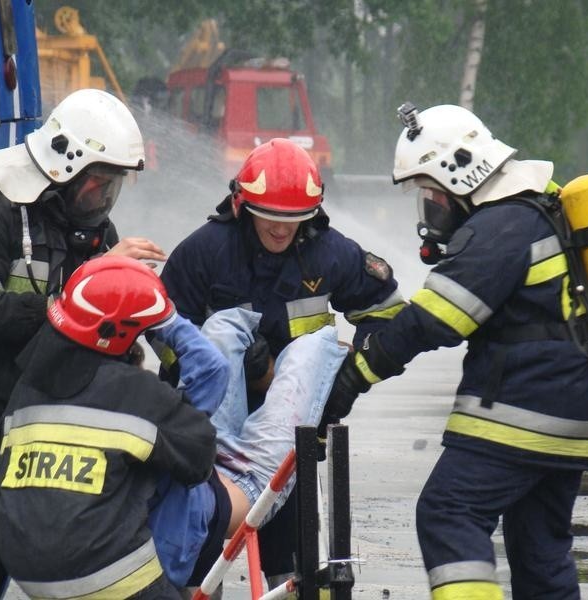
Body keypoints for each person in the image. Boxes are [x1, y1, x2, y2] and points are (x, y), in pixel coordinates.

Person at [323, 103, 588, 599]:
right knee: (541, 551)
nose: (430, 209)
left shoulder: (502, 226)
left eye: (431, 194)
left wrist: (355, 373)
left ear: (459, 174)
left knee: (448, 512)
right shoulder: (541, 208)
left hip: (523, 407)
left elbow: (437, 318)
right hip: (577, 413)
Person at [0, 89, 167, 599]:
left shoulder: (95, 233)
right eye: (98, 185)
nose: (103, 200)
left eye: (112, 188)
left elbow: (104, 335)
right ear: (63, 164)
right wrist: (86, 284)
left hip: (52, 439)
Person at [0, 255, 347, 598]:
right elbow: (200, 449)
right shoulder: (136, 394)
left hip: (34, 576)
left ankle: (238, 324)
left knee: (224, 327)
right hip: (129, 567)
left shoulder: (23, 396)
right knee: (313, 348)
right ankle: (310, 342)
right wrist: (168, 322)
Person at [157, 137, 406, 589]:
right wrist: (206, 370)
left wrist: (350, 379)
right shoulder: (206, 251)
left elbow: (388, 312)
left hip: (291, 429)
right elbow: (165, 333)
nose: (279, 230)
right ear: (242, 205)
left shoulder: (330, 253)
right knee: (198, 555)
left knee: (290, 559)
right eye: (269, 218)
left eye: (293, 220)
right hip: (215, 426)